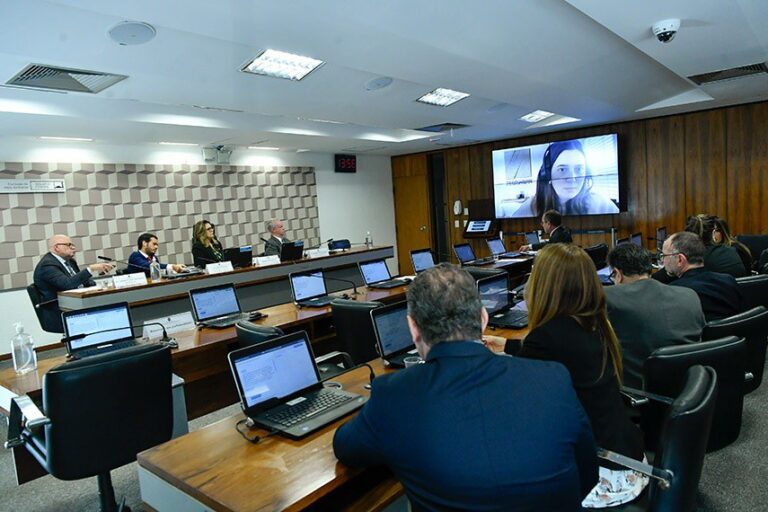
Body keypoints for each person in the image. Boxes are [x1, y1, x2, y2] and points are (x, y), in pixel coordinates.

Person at [334, 263, 598, 511]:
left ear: (413, 328)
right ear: (483, 318)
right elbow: (587, 474)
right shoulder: (553, 378)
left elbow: (346, 447)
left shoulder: (393, 395)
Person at [486, 243, 647, 508]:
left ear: (544, 285)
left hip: (601, 478)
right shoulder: (593, 322)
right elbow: (561, 352)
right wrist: (509, 346)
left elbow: (516, 403)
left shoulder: (546, 337)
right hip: (628, 460)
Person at [604, 243, 705, 388]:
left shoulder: (608, 297)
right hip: (692, 387)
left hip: (638, 393)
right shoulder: (689, 295)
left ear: (617, 274)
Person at [510, 139, 619, 218]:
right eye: (562, 169)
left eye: (579, 169)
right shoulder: (530, 207)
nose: (572, 178)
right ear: (548, 174)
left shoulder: (601, 204)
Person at [32, 234, 114, 332]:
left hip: (76, 304)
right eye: (68, 245)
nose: (73, 248)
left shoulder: (70, 261)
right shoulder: (47, 265)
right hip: (60, 311)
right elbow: (68, 285)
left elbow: (81, 282)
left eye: (72, 245)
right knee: (104, 316)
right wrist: (91, 269)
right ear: (56, 247)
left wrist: (99, 286)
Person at [661, 231, 743, 322]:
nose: (662, 261)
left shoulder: (674, 292)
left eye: (664, 256)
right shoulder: (729, 280)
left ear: (680, 259)